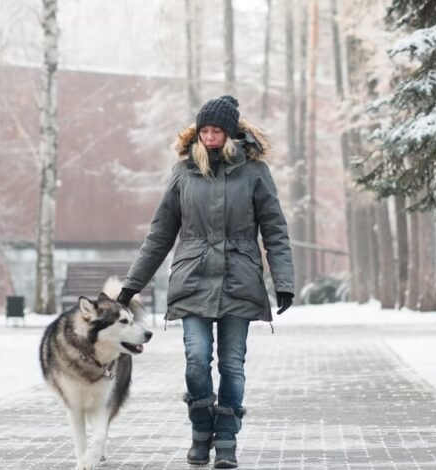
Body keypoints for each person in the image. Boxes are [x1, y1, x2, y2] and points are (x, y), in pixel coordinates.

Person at [117, 95, 295, 468]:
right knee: (196, 360)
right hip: (193, 279)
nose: (210, 137)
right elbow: (160, 234)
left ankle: (226, 439)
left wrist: (284, 281)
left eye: (216, 131)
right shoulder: (183, 172)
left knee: (232, 364)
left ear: (230, 134)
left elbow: (274, 230)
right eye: (204, 131)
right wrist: (132, 286)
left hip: (240, 278)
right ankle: (201, 430)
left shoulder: (255, 172)